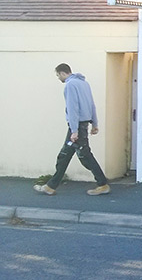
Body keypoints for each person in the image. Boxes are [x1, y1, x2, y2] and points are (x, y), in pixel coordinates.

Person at [34, 63, 110, 196]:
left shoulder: (70, 85)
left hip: (77, 127)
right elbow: (91, 104)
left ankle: (102, 184)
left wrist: (74, 130)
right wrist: (95, 123)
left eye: (58, 75)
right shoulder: (84, 84)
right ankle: (50, 186)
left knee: (85, 156)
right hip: (83, 124)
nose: (58, 78)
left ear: (63, 73)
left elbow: (72, 108)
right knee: (65, 155)